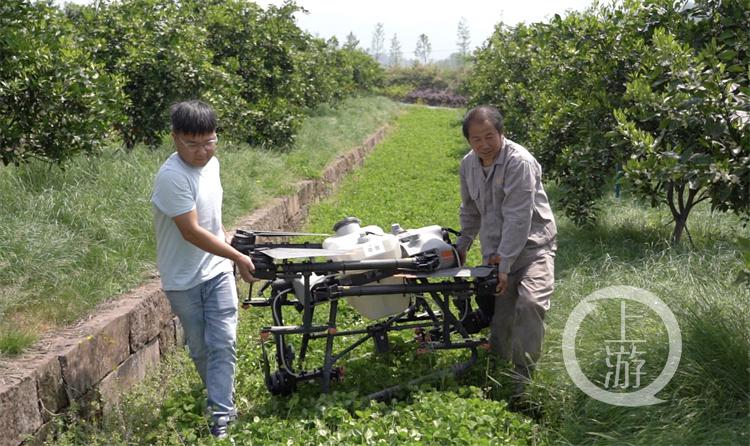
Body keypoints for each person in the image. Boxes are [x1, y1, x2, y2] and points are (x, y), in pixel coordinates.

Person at [151, 100, 257, 439]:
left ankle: (221, 416)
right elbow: (191, 231)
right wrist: (238, 257)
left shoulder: (212, 166)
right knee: (200, 348)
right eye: (192, 144)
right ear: (175, 138)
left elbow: (212, 215)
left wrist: (225, 238)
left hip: (216, 270)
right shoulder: (171, 177)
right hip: (182, 279)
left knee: (223, 342)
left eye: (209, 142)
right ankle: (220, 402)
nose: (202, 152)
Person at [454, 105, 557, 405]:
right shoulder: (468, 165)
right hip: (496, 250)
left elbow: (518, 217)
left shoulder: (519, 162)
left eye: (489, 136)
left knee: (530, 303)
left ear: (501, 133)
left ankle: (523, 380)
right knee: (501, 320)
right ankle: (495, 370)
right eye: (476, 139)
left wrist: (506, 264)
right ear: (469, 141)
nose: (484, 144)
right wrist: (462, 245)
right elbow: (470, 210)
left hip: (533, 246)